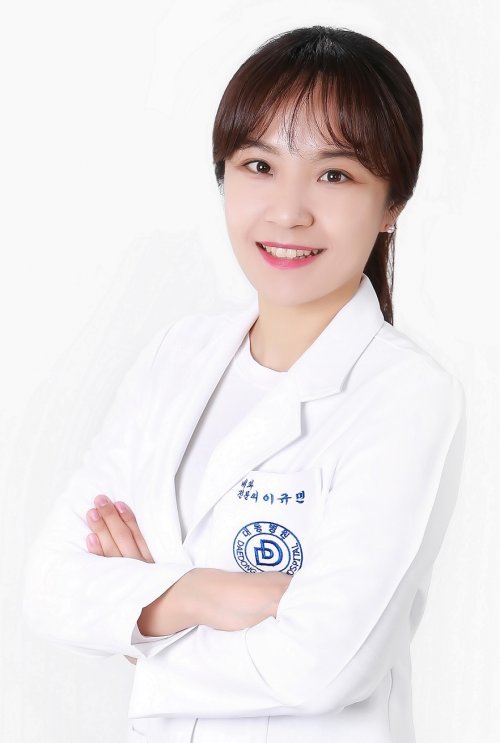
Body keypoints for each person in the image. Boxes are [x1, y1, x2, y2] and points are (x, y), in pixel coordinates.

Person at [22, 25, 467, 743]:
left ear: (393, 205)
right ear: (223, 175)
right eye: (259, 165)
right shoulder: (178, 356)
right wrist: (200, 592)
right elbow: (48, 586)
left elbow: (319, 667)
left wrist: (137, 617)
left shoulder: (406, 394)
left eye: (334, 175)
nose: (288, 211)